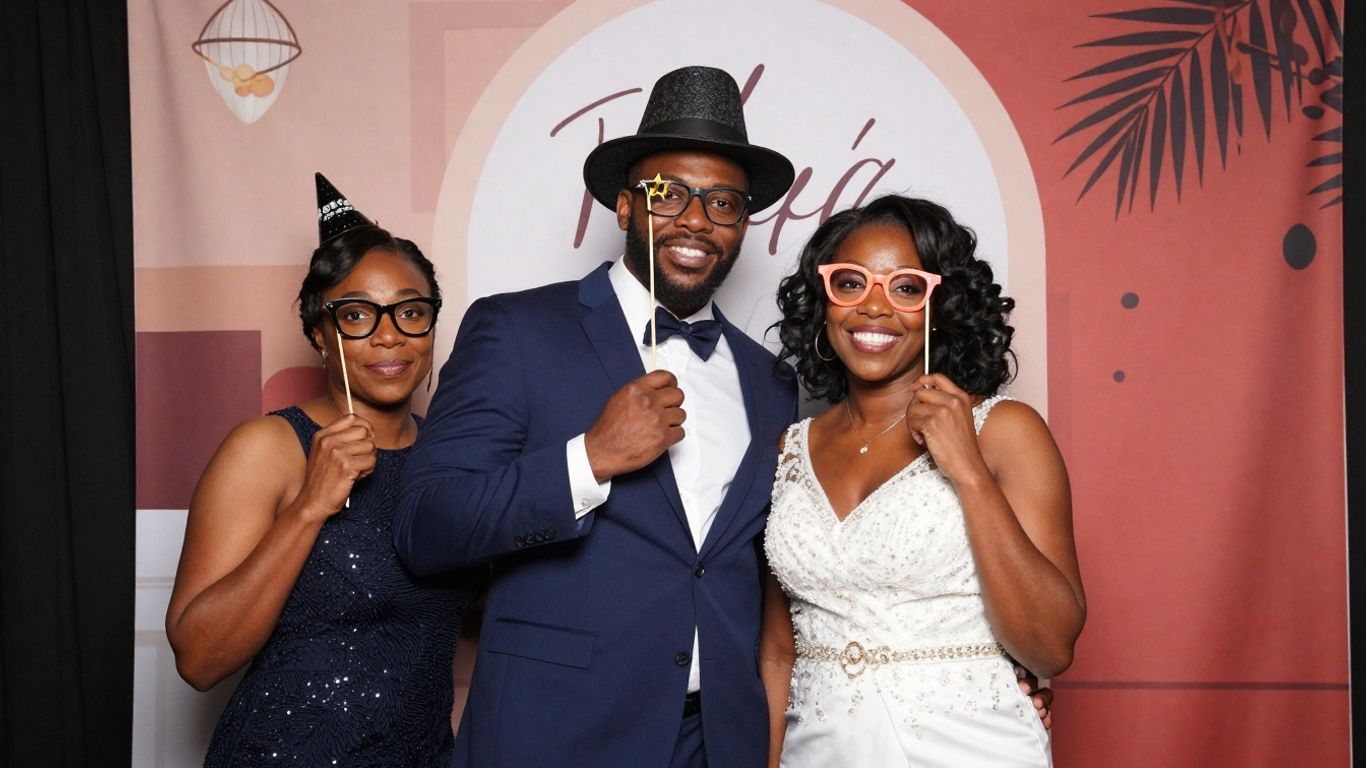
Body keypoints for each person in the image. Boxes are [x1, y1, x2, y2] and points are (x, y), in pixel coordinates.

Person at [393, 66, 799, 767]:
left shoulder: (772, 382)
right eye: (667, 193)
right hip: (556, 735)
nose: (696, 220)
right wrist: (589, 459)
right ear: (623, 206)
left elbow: (773, 580)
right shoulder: (516, 331)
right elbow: (426, 525)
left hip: (717, 742)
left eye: (724, 203)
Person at [165, 174, 477, 767]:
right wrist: (310, 506)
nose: (391, 337)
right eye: (358, 316)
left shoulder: (450, 460)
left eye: (411, 312)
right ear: (318, 331)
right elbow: (198, 659)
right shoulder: (268, 446)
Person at [762, 195, 1085, 766]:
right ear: (824, 301)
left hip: (970, 747)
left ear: (941, 306)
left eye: (905, 287)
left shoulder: (1004, 430)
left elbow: (1051, 645)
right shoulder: (788, 449)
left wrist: (968, 471)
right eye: (851, 283)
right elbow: (779, 652)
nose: (875, 308)